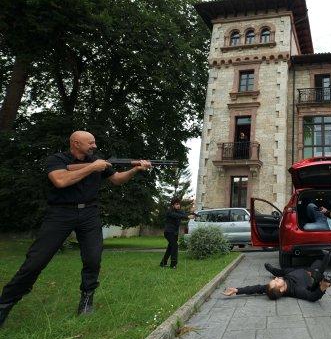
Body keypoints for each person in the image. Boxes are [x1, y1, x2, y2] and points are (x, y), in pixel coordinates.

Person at [0, 131, 151, 328]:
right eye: (90, 143)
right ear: (76, 143)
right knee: (36, 260)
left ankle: (87, 301)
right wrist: (92, 168)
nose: (94, 146)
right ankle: (5, 303)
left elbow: (117, 179)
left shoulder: (96, 161)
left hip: (89, 213)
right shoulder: (57, 159)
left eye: (94, 142)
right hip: (60, 214)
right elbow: (60, 181)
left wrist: (136, 170)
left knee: (93, 258)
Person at [223, 251, 331, 301]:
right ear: (281, 289)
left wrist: (237, 290)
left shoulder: (272, 287)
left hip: (290, 273)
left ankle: (272, 270)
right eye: (276, 282)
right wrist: (322, 287)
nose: (275, 280)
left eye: (274, 280)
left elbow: (256, 288)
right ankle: (329, 255)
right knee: (318, 262)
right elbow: (312, 297)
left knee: (280, 272)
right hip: (309, 273)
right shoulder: (297, 291)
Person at [160, 198, 196, 269]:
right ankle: (173, 264)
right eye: (176, 204)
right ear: (173, 205)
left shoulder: (179, 211)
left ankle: (163, 263)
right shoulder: (170, 212)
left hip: (175, 233)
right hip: (168, 232)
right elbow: (177, 215)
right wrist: (187, 216)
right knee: (175, 246)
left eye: (179, 204)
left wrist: (192, 214)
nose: (178, 205)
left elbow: (184, 214)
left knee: (170, 248)